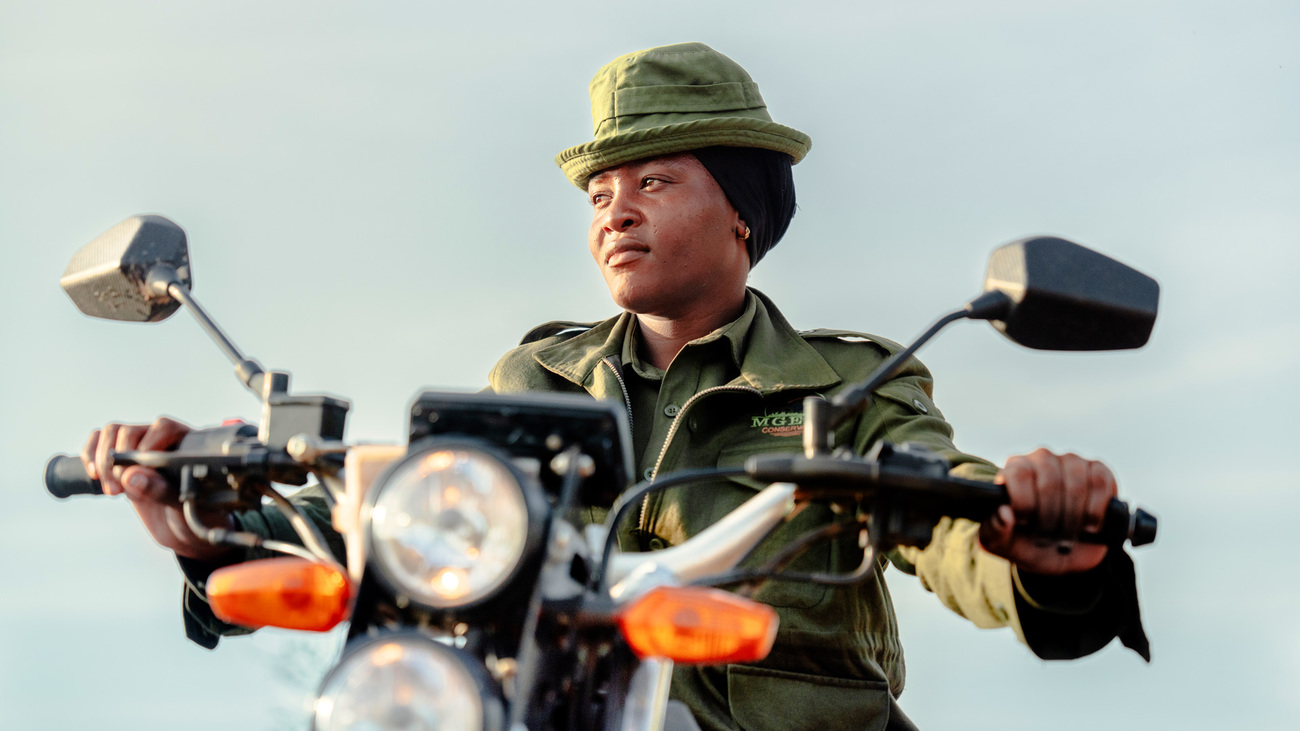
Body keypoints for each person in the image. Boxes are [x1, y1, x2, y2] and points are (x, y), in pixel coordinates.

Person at [82, 42, 1147, 730]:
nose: (613, 210)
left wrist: (1029, 535)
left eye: (652, 180)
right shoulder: (538, 375)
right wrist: (209, 510)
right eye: (599, 190)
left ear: (741, 212)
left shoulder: (849, 382)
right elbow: (427, 509)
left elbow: (944, 516)